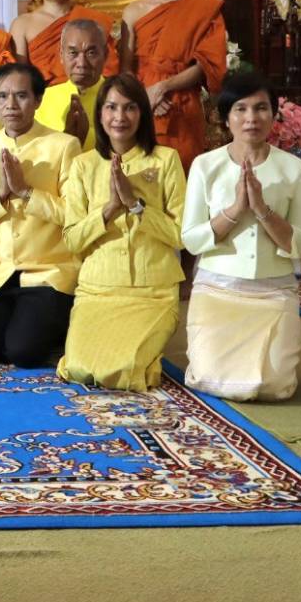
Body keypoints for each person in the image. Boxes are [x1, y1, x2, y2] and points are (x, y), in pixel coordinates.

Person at [180, 73, 301, 401]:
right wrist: (236, 209)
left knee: (274, 387)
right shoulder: (205, 165)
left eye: (261, 108)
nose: (251, 118)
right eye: (241, 109)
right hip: (217, 291)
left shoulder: (293, 168)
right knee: (208, 379)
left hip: (274, 292)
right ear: (227, 118)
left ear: (273, 115)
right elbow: (192, 240)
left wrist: (263, 210)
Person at [58, 73, 187, 390]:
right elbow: (73, 239)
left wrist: (136, 206)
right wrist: (109, 208)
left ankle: (146, 357)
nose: (119, 117)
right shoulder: (83, 165)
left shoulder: (166, 160)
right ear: (99, 113)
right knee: (78, 368)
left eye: (130, 108)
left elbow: (181, 234)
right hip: (98, 289)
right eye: (111, 107)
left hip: (153, 291)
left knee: (123, 369)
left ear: (142, 113)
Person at [0, 64, 81, 368]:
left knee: (23, 353)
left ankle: (59, 323)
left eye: (21, 96)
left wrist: (27, 192)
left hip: (48, 271)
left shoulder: (64, 145)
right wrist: (1, 194)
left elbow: (75, 215)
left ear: (38, 100)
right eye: (2, 96)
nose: (11, 105)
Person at [122, 0, 226, 170]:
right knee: (143, 171)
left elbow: (205, 65)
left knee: (184, 169)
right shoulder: (134, 11)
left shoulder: (203, 9)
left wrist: (163, 88)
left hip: (183, 101)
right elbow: (126, 67)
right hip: (142, 102)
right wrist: (145, 96)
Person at [10, 0, 119, 86]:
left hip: (90, 93)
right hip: (43, 98)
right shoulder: (22, 24)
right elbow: (19, 75)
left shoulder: (94, 20)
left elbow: (108, 68)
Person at [34, 18, 110, 149]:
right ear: (61, 55)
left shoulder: (120, 98)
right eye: (73, 53)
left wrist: (88, 136)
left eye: (91, 53)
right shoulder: (44, 99)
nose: (81, 63)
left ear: (105, 54)